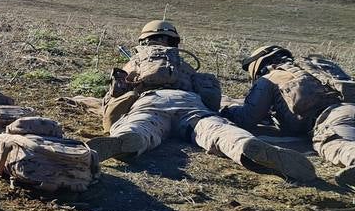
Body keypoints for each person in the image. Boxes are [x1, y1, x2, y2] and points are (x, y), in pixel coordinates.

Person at [88, 21, 314, 181]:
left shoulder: (135, 63)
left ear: (143, 41)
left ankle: (128, 140)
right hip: (190, 103)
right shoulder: (184, 66)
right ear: (175, 42)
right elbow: (210, 100)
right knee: (216, 131)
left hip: (151, 101)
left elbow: (115, 100)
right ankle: (244, 146)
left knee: (142, 125)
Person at [222, 45, 355, 188]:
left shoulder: (270, 78)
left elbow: (248, 117)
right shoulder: (319, 66)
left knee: (333, 142)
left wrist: (227, 110)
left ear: (258, 68)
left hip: (333, 116)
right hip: (346, 109)